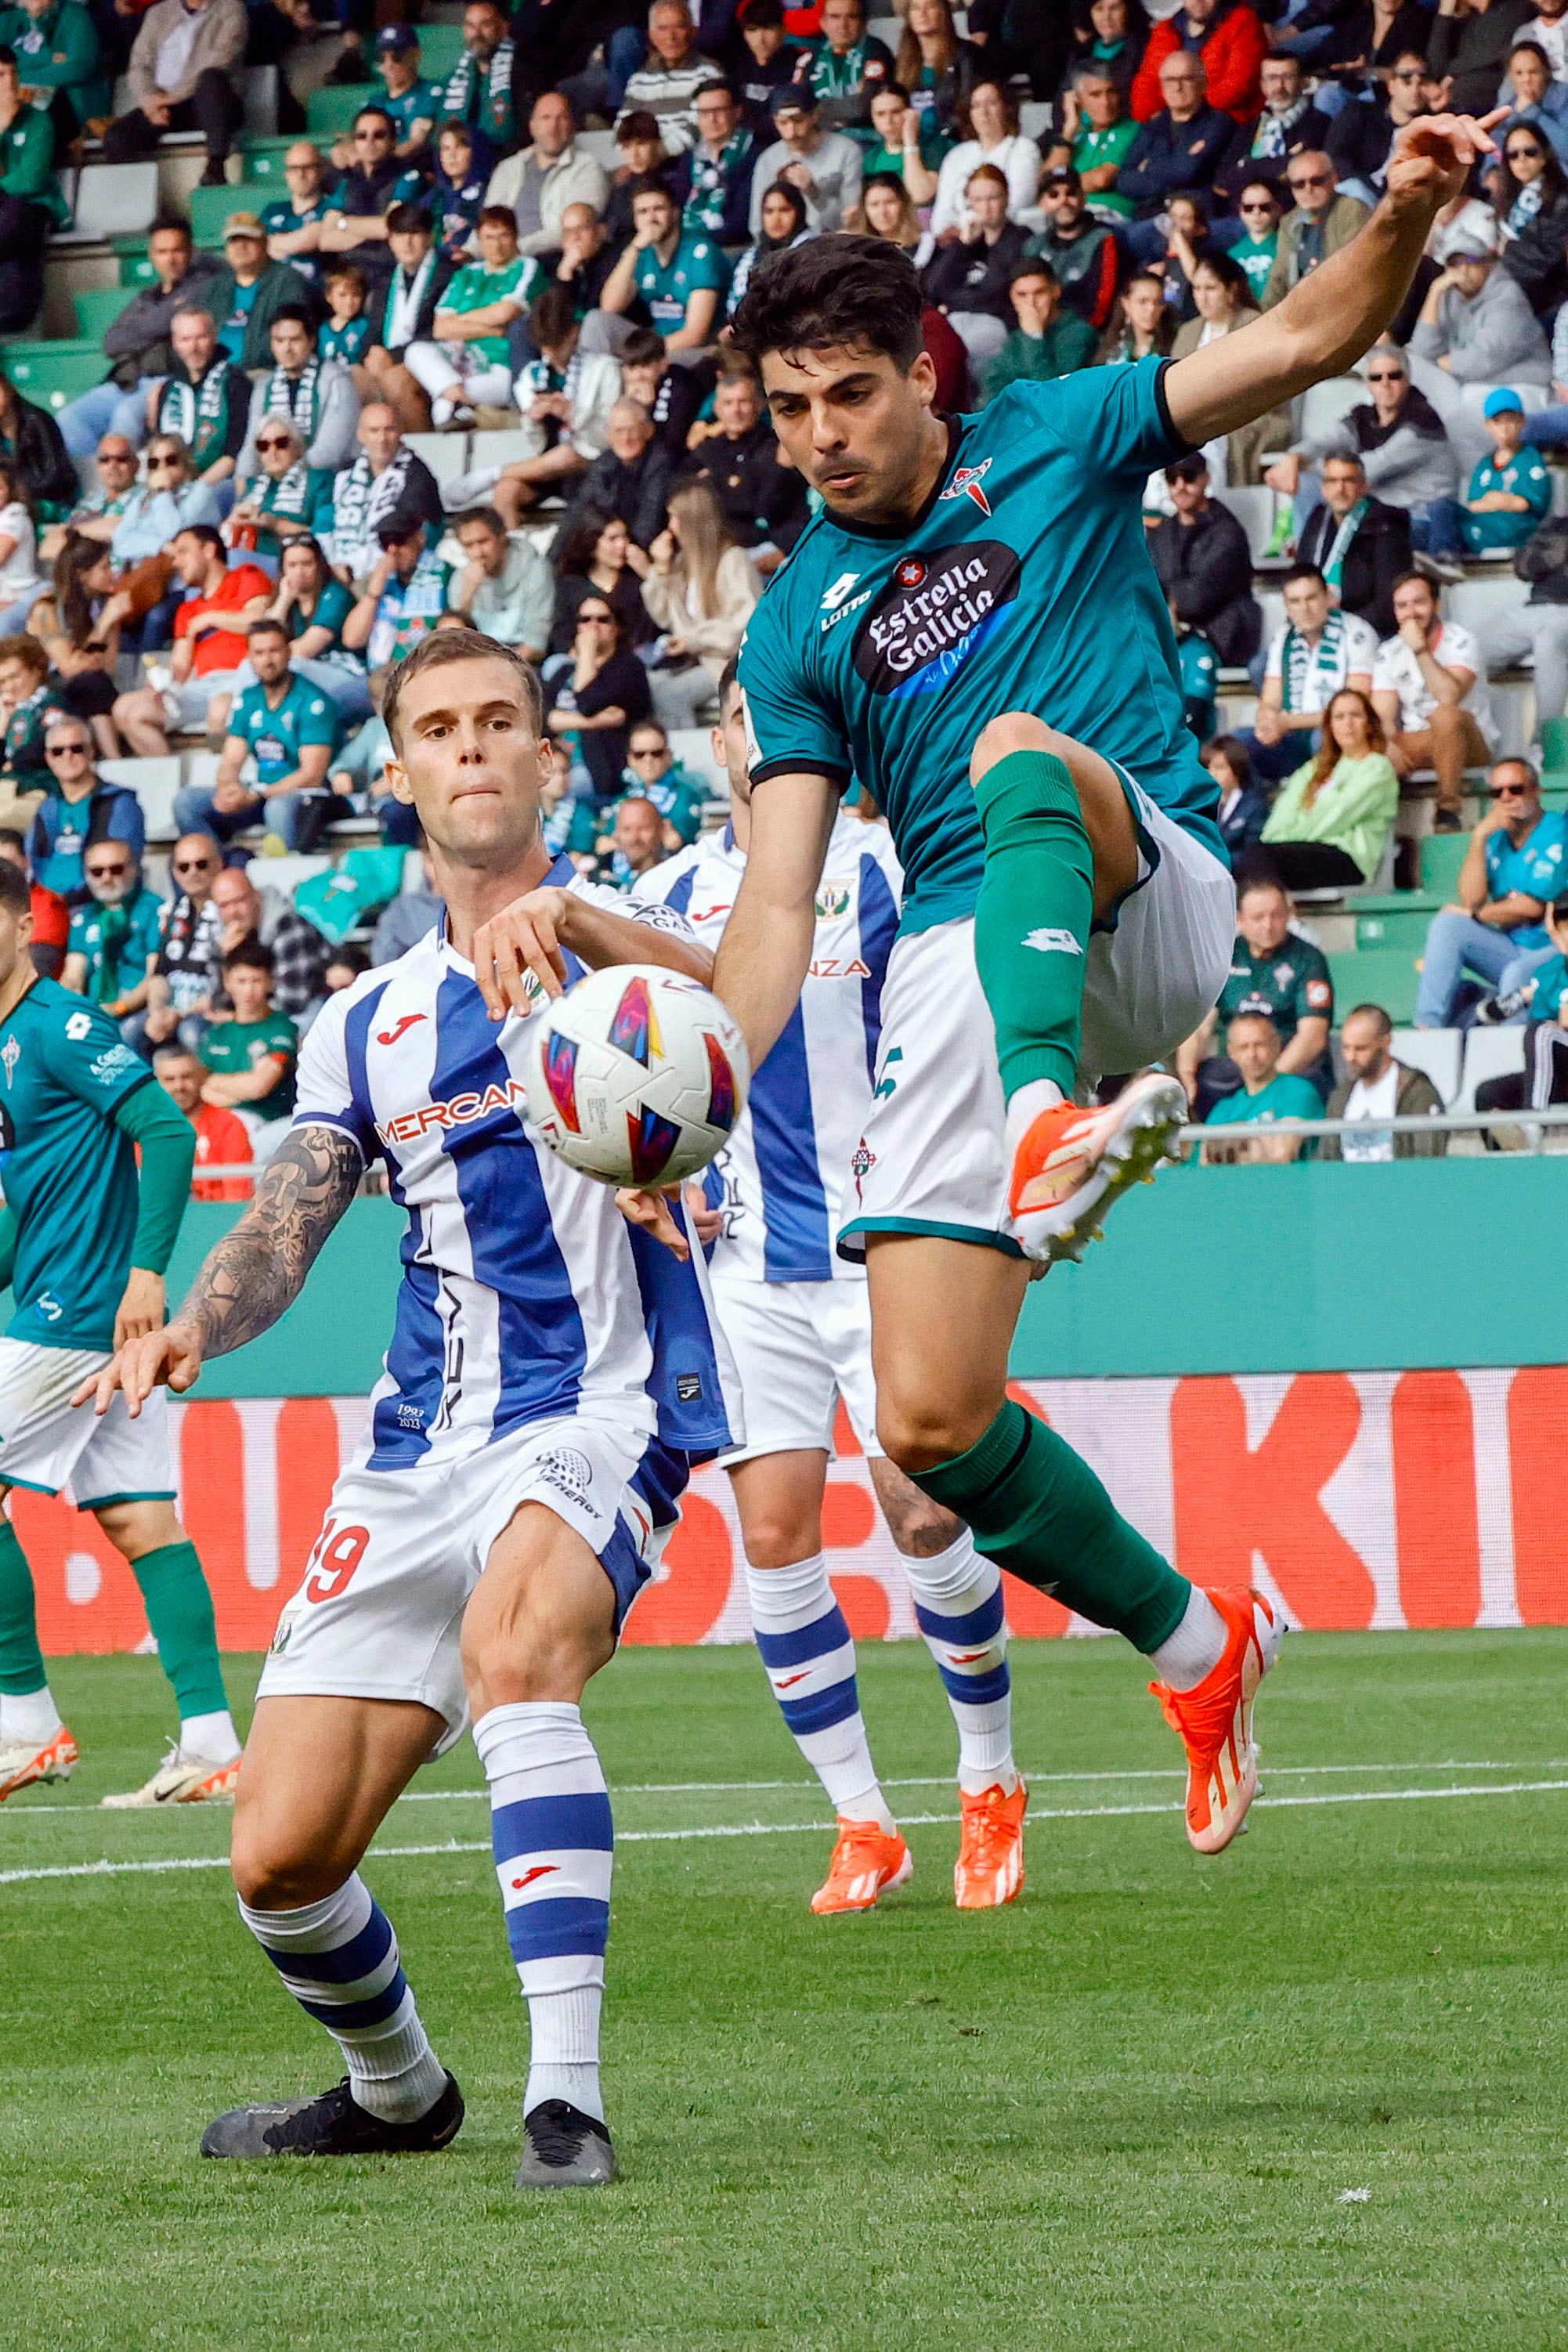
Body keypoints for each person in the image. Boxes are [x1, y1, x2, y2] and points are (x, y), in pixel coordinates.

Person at [724, 197, 1376, 1864]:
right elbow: (784, 906)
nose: (819, 439)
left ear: (918, 372)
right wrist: (707, 1085)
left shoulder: (1060, 429)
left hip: (1136, 878)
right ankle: (1196, 1645)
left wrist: (1425, 202)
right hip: (955, 964)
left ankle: (1046, 1120)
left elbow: (1303, 341)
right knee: (927, 1420)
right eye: (788, 409)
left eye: (848, 394)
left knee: (1013, 745)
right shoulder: (793, 623)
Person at [84, 624, 735, 2185]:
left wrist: (579, 921)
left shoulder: (640, 941)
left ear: (543, 756)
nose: (468, 747)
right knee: (279, 1855)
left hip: (606, 1404)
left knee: (519, 1653)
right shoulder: (365, 1019)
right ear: (395, 772)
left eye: (497, 721)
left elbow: (748, 1008)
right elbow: (289, 1216)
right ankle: (398, 2090)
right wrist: (196, 1320)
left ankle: (561, 2100)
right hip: (416, 1448)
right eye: (435, 726)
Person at [635, 663, 1026, 1908]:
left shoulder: (886, 867)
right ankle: (863, 1819)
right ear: (716, 750)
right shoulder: (668, 893)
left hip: (883, 1251)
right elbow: (614, 1058)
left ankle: (987, 1775)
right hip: (746, 1263)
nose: (759, 743)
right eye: (740, 723)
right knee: (773, 1539)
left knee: (922, 1517)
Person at [0, 859, 241, 1809]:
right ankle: (212, 1743)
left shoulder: (59, 1026)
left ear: (20, 922)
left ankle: (21, 1722)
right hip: (71, 1302)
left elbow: (168, 1132)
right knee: (140, 1519)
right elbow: (30, 1202)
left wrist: (148, 1274)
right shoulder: (7, 1039)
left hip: (83, 1309)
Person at [1268, 344, 1461, 564]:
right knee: (1306, 483)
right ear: (1367, 384)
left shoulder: (1424, 421)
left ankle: (1319, 568)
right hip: (1377, 513)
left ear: (1408, 379)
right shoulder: (1363, 417)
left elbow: (1369, 469)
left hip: (1419, 518)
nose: (1385, 384)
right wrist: (1293, 458)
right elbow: (1325, 441)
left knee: (1334, 484)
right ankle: (1309, 564)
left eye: (1394, 376)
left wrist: (1306, 465)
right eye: (1377, 377)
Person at [1414, 754, 1568, 1024]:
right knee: (1447, 925)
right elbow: (1470, 899)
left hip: (1553, 945)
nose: (1506, 798)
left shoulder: (1558, 830)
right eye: (1498, 792)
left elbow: (1532, 907)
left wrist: (1476, 914)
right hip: (1511, 945)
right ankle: (1428, 1029)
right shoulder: (1494, 837)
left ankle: (1509, 1058)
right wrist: (1479, 837)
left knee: (1515, 974)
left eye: (1516, 789)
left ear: (1536, 791)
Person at [179, 619, 342, 852]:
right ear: (250, 657)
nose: (267, 660)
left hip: (304, 797)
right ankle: (216, 871)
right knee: (187, 801)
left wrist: (258, 794)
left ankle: (286, 879)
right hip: (260, 792)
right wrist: (228, 787)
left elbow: (312, 775)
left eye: (274, 651)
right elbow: (231, 761)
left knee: (277, 808)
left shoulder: (313, 702)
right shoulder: (247, 699)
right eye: (259, 652)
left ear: (288, 652)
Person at [1180, 874, 1336, 1111]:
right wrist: (1186, 1073)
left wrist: (1266, 1084)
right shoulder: (1225, 957)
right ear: (1239, 919)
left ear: (1288, 913)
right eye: (1258, 918)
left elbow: (1312, 1037)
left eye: (1276, 915)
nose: (1268, 925)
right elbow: (1199, 1028)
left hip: (1292, 1068)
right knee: (1201, 1084)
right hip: (1238, 1066)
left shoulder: (1308, 959)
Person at [111, 526, 272, 756]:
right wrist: (161, 678)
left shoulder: (247, 576)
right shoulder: (188, 610)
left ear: (208, 550)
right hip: (203, 686)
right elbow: (180, 666)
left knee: (221, 706)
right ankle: (166, 781)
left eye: (183, 552)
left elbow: (258, 621)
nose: (176, 563)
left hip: (244, 676)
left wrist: (210, 618)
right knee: (126, 709)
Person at [1371, 568, 1496, 830]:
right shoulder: (1389, 651)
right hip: (1419, 743)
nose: (1411, 612)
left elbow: (1448, 697)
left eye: (1419, 602)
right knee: (1362, 739)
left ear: (1436, 605)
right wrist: (1387, 744)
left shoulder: (1461, 641)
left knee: (1445, 716)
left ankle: (1448, 808)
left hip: (1469, 741)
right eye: (1402, 606)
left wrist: (1420, 649)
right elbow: (1382, 716)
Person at [640, 478, 761, 727]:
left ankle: (686, 759)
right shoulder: (683, 563)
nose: (670, 526)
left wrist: (693, 641)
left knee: (671, 695)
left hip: (726, 663)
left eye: (674, 517)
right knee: (646, 683)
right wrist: (660, 571)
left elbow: (746, 623)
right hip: (692, 661)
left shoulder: (733, 560)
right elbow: (662, 616)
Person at [403, 206, 538, 428]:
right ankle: (458, 400)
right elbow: (440, 329)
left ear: (515, 236)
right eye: (489, 237)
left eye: (503, 236)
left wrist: (461, 321)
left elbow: (506, 312)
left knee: (443, 403)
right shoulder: (467, 273)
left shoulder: (527, 266)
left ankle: (455, 402)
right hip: (461, 360)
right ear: (479, 240)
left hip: (502, 366)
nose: (496, 244)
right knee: (415, 351)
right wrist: (492, 329)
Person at [1256, 685, 1400, 890]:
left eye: (1355, 715)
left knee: (1261, 859)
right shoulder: (1314, 768)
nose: (1348, 724)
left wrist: (1288, 840)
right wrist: (1275, 841)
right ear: (1330, 726)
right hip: (1304, 850)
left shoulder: (1377, 768)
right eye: (1339, 717)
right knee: (1253, 856)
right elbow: (1283, 812)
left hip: (1348, 857)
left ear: (1369, 724)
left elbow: (1335, 816)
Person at [1248, 563, 1378, 783]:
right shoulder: (1284, 636)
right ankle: (1252, 814)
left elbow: (1355, 709)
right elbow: (1270, 699)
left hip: (1334, 732)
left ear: (1328, 597)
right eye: (1295, 601)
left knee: (1329, 739)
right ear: (1286, 606)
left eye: (1311, 598)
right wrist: (1267, 722)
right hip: (1292, 736)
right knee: (1240, 746)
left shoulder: (1358, 633)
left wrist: (1287, 722)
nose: (1304, 608)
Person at [672, 365, 808, 565]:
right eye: (728, 403)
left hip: (769, 550)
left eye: (743, 402)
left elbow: (769, 509)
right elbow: (677, 491)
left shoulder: (777, 448)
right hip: (718, 551)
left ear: (759, 405)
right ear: (717, 408)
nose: (736, 411)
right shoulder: (707, 450)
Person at [1172, 251, 1287, 483]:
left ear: (1232, 290)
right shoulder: (1188, 332)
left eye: (1210, 289)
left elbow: (1260, 388)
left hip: (1247, 419)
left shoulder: (1253, 325)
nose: (1202, 298)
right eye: (1197, 288)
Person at [103, 0, 244, 186]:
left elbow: (223, 57)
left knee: (212, 79)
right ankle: (137, 200)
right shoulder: (158, 13)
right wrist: (149, 100)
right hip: (162, 107)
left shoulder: (231, 8)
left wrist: (175, 96)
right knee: (117, 137)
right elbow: (139, 64)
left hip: (212, 104)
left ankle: (215, 168)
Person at [1148, 452, 1261, 668]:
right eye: (1172, 478)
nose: (1180, 485)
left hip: (1220, 637)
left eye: (1189, 476)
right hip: (1169, 635)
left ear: (1206, 478)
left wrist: (1166, 598)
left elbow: (1197, 598)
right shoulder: (1161, 533)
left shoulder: (1229, 533)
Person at [1409, 237, 1552, 406]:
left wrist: (1442, 363)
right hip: (1477, 384)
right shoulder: (1449, 295)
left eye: (1471, 261)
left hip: (1526, 386)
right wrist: (1434, 292)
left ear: (1488, 264)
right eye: (1455, 263)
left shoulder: (1508, 297)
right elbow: (1422, 350)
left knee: (1466, 400)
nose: (1463, 270)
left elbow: (1484, 361)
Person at [1117, 50, 1232, 257]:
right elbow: (1124, 181)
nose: (1177, 87)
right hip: (1152, 217)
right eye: (1170, 80)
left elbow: (1188, 171)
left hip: (1197, 224)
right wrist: (1177, 168)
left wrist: (1150, 167)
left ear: (1203, 83)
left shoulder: (1219, 122)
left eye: (1186, 79)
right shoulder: (1151, 126)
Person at [356, 208, 457, 436]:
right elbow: (373, 329)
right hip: (387, 360)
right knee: (349, 379)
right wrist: (370, 356)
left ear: (430, 237)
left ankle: (419, 454)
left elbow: (441, 330)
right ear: (390, 240)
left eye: (415, 234)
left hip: (434, 360)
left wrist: (393, 357)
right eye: (399, 235)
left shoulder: (448, 274)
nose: (407, 243)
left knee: (395, 380)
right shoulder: (386, 281)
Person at [29, 534, 132, 754]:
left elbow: (107, 666)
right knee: (92, 683)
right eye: (104, 568)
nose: (112, 574)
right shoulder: (47, 609)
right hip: (52, 690)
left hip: (95, 687)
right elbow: (70, 667)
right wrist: (103, 625)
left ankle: (112, 757)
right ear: (82, 573)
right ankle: (113, 758)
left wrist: (110, 624)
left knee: (97, 683)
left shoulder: (104, 606)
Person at [1295, 447, 1412, 639]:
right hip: (1318, 628)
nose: (1340, 489)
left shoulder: (1386, 526)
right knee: (1261, 665)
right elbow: (1298, 580)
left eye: (1349, 480)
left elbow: (1388, 604)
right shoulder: (1317, 521)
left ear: (1364, 486)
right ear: (1323, 488)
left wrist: (1339, 628)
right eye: (1332, 481)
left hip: (1369, 632)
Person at [195, 938, 298, 1158]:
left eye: (256, 981)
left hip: (268, 1124)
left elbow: (259, 1086)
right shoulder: (216, 1035)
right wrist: (240, 1087)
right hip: (219, 1123)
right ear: (227, 981)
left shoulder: (281, 1027)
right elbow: (198, 1089)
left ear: (270, 982)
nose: (249, 990)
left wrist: (214, 1083)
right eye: (241, 981)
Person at [602, 175, 729, 352]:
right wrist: (634, 249)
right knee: (598, 322)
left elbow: (695, 334)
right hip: (657, 344)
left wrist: (644, 357)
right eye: (643, 212)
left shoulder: (701, 252)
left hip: (698, 351)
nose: (651, 218)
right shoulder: (640, 252)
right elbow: (609, 307)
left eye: (658, 209)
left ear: (675, 213)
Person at [919, 163, 1030, 365]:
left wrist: (950, 303)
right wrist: (964, 244)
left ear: (1006, 197)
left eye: (993, 198)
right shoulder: (965, 243)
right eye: (978, 200)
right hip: (955, 321)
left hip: (996, 326)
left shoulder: (1022, 239)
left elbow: (996, 294)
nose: (986, 207)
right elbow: (933, 287)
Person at [326, 400, 444, 585]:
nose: (382, 439)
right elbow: (324, 524)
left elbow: (406, 534)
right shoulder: (344, 476)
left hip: (388, 576)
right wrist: (331, 565)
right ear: (360, 435)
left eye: (389, 429)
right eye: (374, 431)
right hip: (338, 572)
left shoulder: (418, 476)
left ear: (401, 431)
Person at [238, 309, 362, 483]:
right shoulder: (264, 385)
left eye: (295, 340)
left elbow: (332, 450)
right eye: (279, 341)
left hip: (327, 481)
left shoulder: (337, 381)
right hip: (273, 480)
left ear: (311, 342)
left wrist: (285, 475)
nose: (287, 349)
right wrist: (244, 482)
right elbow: (252, 443)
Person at [546, 594, 652, 799]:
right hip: (556, 765)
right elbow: (542, 717)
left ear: (616, 627)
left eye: (603, 620)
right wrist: (594, 722)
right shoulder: (565, 672)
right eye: (585, 620)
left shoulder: (629, 668)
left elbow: (587, 703)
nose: (593, 626)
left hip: (597, 770)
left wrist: (586, 654)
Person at [28, 712, 143, 899]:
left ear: (91, 751)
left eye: (77, 749)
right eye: (58, 751)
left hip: (95, 907)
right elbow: (34, 862)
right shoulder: (47, 808)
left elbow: (119, 867)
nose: (67, 757)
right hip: (44, 907)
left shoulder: (120, 803)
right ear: (48, 758)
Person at [486, 91, 609, 256]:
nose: (553, 126)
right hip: (501, 256)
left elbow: (577, 231)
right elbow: (488, 220)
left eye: (562, 118)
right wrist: (469, 251)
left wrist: (515, 250)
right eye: (546, 118)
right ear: (533, 126)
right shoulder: (508, 167)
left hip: (551, 257)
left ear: (572, 125)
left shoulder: (588, 167)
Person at [318, 109, 428, 293]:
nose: (369, 142)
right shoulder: (347, 182)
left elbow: (389, 227)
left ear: (393, 141)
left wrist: (343, 223)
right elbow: (326, 239)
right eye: (362, 136)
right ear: (354, 143)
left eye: (379, 135)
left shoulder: (408, 176)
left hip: (388, 271)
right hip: (348, 274)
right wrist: (373, 229)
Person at [1319, 1003, 1447, 1159]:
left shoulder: (1417, 1093)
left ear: (1386, 1042)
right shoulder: (1340, 1097)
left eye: (1361, 1049)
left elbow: (1428, 1160)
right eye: (1346, 1048)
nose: (1350, 1057)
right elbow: (1326, 1160)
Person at [1477, 508, 1568, 725]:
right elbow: (1522, 568)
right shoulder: (1555, 526)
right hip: (1534, 609)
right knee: (1470, 647)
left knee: (1549, 640)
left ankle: (1549, 745)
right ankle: (1480, 736)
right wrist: (1554, 554)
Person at [147, 306, 249, 493]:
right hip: (174, 485)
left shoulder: (235, 382)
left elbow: (236, 453)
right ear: (175, 342)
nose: (193, 347)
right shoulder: (169, 389)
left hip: (221, 484)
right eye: (185, 339)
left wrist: (195, 491)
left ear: (214, 337)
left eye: (201, 337)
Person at [1200, 1010, 1323, 1162]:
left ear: (1276, 1045)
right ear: (1232, 1052)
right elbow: (1205, 1163)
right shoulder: (1223, 1109)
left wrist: (1236, 1139)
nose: (1252, 1055)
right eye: (1244, 1047)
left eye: (1259, 1045)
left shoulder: (1298, 1091)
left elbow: (1282, 1154)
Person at [1214, 53, 1331, 211]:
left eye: (1287, 77)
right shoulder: (1251, 126)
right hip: (1243, 215)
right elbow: (1222, 182)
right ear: (1262, 85)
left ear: (1303, 82)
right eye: (1271, 78)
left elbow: (1297, 173)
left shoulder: (1318, 123)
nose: (1279, 86)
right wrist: (1276, 168)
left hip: (1289, 214)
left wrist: (1246, 166)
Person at [62, 838, 162, 1022]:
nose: (106, 878)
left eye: (116, 869)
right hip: (95, 1010)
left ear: (133, 869)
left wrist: (120, 1007)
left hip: (137, 1009)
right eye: (97, 871)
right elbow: (74, 976)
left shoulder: (155, 909)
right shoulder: (84, 917)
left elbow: (154, 974)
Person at [927, 79, 1039, 239]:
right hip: (958, 241)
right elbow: (942, 212)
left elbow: (1017, 202)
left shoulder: (1023, 148)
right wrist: (950, 232)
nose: (983, 112)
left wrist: (969, 226)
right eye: (976, 105)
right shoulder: (957, 155)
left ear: (1006, 108)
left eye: (992, 103)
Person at [142, 831, 222, 1050]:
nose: (193, 873)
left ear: (219, 865)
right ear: (175, 872)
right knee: (131, 1031)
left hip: (211, 1009)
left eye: (202, 864)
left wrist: (179, 1014)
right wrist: (158, 1013)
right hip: (173, 1008)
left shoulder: (230, 907)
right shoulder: (171, 912)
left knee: (190, 1032)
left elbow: (226, 983)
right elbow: (160, 974)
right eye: (184, 867)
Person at [561, 397, 674, 553]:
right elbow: (576, 513)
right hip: (613, 549)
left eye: (632, 430)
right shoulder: (604, 464)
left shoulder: (660, 463)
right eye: (618, 431)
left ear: (648, 431)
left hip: (641, 554)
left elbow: (649, 523)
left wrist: (620, 555)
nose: (626, 438)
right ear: (609, 435)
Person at [206, 215, 313, 377]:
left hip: (264, 371)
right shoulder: (216, 285)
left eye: (248, 239)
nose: (240, 246)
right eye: (234, 240)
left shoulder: (286, 280)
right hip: (215, 373)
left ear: (264, 243)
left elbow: (291, 335)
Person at [750, 81, 862, 233]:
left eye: (798, 120)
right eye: (783, 123)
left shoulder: (846, 151)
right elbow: (757, 225)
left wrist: (813, 191)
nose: (791, 132)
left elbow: (851, 222)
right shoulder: (768, 160)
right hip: (786, 249)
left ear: (814, 116)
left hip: (832, 245)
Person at [1131, 0, 1268, 125]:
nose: (1197, 1)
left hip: (1226, 122)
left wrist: (1184, 104)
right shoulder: (1167, 29)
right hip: (1172, 122)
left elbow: (1237, 86)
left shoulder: (1243, 22)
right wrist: (1160, 113)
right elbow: (1146, 86)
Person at [342, 519, 453, 674]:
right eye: (385, 543)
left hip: (428, 667)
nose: (393, 550)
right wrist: (376, 589)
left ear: (420, 537)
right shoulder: (374, 581)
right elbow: (352, 640)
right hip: (381, 673)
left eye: (399, 540)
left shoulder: (445, 573)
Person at [977, 260, 1097, 399]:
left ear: (1055, 291)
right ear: (1013, 297)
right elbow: (991, 390)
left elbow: (1052, 394)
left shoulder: (1079, 333)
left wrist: (1035, 337)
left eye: (1039, 293)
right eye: (1022, 295)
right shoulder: (1017, 337)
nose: (1031, 303)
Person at [1262, 154, 1369, 308]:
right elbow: (1278, 277)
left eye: (1316, 181)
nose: (1308, 189)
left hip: (1342, 305)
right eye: (1299, 184)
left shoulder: (1352, 209)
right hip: (1302, 310)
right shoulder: (1289, 222)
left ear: (1333, 179)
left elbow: (1351, 268)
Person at [226, 420, 335, 569]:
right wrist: (234, 521)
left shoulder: (320, 480)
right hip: (249, 561)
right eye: (264, 446)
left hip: (295, 564)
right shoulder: (253, 485)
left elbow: (324, 537)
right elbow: (227, 535)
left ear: (297, 447)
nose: (273, 452)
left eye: (281, 443)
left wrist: (276, 524)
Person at [1457, 384, 1551, 554]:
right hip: (1479, 527)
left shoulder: (1530, 458)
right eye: (1497, 422)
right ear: (1488, 425)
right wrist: (1505, 501)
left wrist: (1495, 499)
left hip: (1515, 531)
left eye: (1511, 420)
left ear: (1522, 421)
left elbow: (1525, 504)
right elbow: (1473, 505)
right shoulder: (1485, 463)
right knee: (1444, 511)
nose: (1505, 428)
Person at [450, 505, 553, 660]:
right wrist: (467, 594)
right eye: (469, 545)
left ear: (501, 537)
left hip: (524, 662)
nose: (478, 553)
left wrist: (498, 667)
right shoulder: (460, 578)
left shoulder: (535, 569)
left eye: (483, 541)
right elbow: (453, 640)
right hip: (477, 662)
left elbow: (536, 645)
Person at [616, 0, 720, 152]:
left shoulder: (709, 73)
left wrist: (659, 152)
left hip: (685, 161)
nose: (671, 36)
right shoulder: (639, 79)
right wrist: (634, 155)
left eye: (679, 27)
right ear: (652, 35)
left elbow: (701, 126)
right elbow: (623, 127)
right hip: (643, 160)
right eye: (663, 28)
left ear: (692, 31)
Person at [1025, 168, 1121, 333]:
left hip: (1083, 333)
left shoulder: (1104, 239)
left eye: (1071, 193)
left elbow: (1102, 306)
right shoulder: (1034, 245)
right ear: (1042, 203)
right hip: (1037, 329)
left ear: (1083, 198)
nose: (1064, 200)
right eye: (1054, 195)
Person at [154, 1042, 253, 1199]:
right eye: (169, 1079)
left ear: (201, 1077)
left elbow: (237, 1197)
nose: (179, 1086)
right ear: (157, 1084)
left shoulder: (228, 1125)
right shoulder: (147, 1131)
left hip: (214, 1218)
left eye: (186, 1077)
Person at [1046, 62, 1139, 223]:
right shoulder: (1075, 136)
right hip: (1069, 212)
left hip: (1110, 216)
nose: (1106, 102)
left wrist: (1058, 188)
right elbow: (1045, 181)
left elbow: (1101, 179)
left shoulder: (1131, 129)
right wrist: (1069, 130)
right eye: (1096, 95)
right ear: (1078, 99)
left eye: (1111, 92)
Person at [550, 507, 651, 653]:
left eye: (625, 537)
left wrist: (648, 573)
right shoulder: (570, 585)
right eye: (613, 539)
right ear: (592, 542)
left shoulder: (636, 584)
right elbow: (562, 633)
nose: (622, 545)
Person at [670, 80, 757, 240]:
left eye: (718, 111)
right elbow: (677, 204)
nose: (712, 119)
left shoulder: (754, 154)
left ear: (737, 112)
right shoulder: (690, 158)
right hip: (688, 246)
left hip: (733, 246)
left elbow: (742, 219)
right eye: (704, 113)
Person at [436, 0, 523, 153]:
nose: (477, 34)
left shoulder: (524, 74)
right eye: (470, 26)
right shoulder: (452, 79)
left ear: (503, 28)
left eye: (485, 25)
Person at [893, 0, 979, 139]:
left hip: (953, 139)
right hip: (912, 140)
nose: (922, 14)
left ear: (943, 12)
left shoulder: (966, 54)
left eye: (931, 6)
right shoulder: (901, 62)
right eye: (915, 9)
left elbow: (967, 105)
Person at [261, 143, 336, 284]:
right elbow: (258, 249)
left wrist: (274, 243)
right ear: (287, 174)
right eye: (294, 168)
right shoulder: (272, 211)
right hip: (275, 293)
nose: (301, 174)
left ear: (320, 171)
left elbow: (310, 239)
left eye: (307, 167)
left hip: (315, 294)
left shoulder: (331, 209)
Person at [1203, 730, 1270, 854]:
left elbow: (1252, 851)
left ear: (1237, 768)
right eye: (1207, 768)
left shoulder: (1254, 807)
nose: (1212, 774)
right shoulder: (1200, 804)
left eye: (1220, 767)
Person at [1094, 266, 1175, 363]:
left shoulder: (1176, 343)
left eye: (1158, 302)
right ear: (1126, 303)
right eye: (1143, 301)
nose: (1151, 309)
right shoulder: (1110, 348)